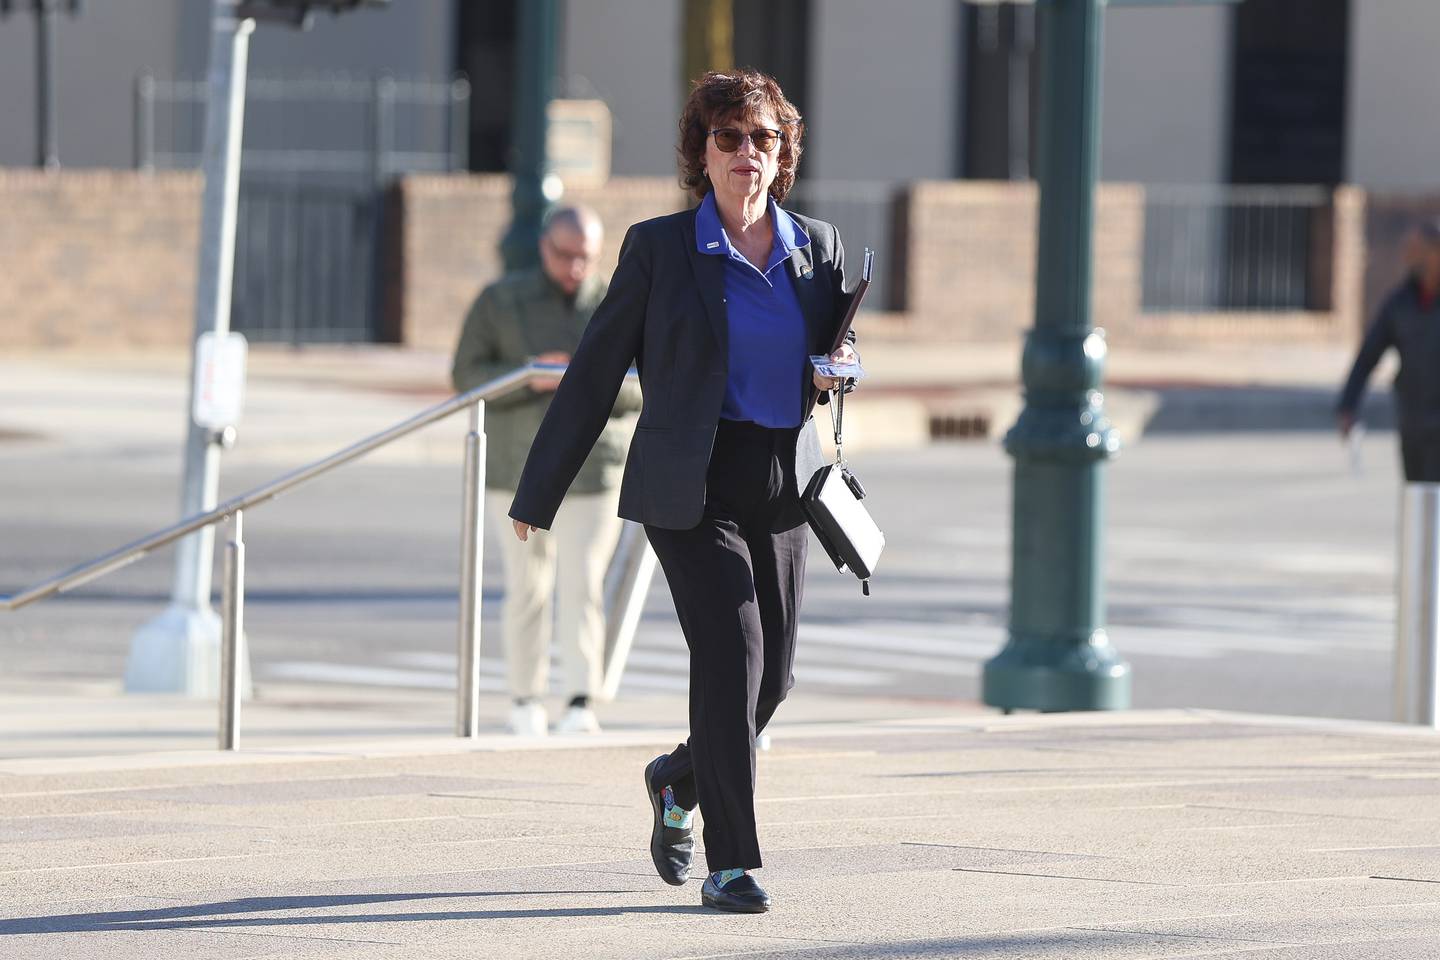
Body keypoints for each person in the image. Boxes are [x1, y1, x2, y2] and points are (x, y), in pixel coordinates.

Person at [507, 69, 859, 914]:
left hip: (782, 477)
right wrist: (537, 493)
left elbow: (834, 348)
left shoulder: (818, 247)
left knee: (772, 681)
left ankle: (677, 780)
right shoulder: (660, 249)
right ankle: (731, 865)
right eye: (728, 137)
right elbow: (595, 371)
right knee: (732, 656)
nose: (747, 153)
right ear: (702, 153)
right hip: (690, 482)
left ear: (783, 154)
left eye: (763, 138)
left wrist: (841, 369)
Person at [451, 205, 641, 737]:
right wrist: (528, 376)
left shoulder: (616, 300)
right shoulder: (500, 301)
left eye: (587, 257)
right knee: (526, 587)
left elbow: (645, 384)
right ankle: (524, 697)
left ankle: (580, 700)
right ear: (543, 248)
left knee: (583, 585)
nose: (575, 267)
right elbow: (466, 375)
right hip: (517, 467)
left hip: (594, 470)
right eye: (565, 255)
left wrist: (582, 379)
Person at [1338, 218, 1440, 482]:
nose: (1410, 257)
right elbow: (1368, 356)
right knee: (1417, 497)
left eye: (1417, 250)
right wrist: (1348, 404)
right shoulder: (1400, 303)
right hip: (1414, 424)